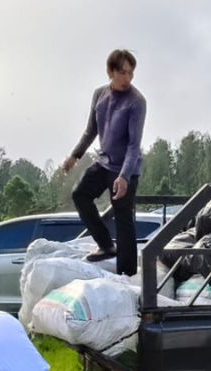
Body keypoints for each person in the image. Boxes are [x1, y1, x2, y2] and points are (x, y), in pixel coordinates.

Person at [63, 49, 147, 276]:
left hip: (125, 168)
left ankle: (126, 275)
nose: (127, 78)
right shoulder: (99, 94)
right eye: (122, 72)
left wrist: (124, 177)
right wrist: (75, 155)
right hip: (104, 162)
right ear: (110, 71)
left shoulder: (136, 102)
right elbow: (91, 130)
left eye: (131, 73)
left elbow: (133, 145)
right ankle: (105, 244)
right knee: (80, 194)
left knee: (123, 217)